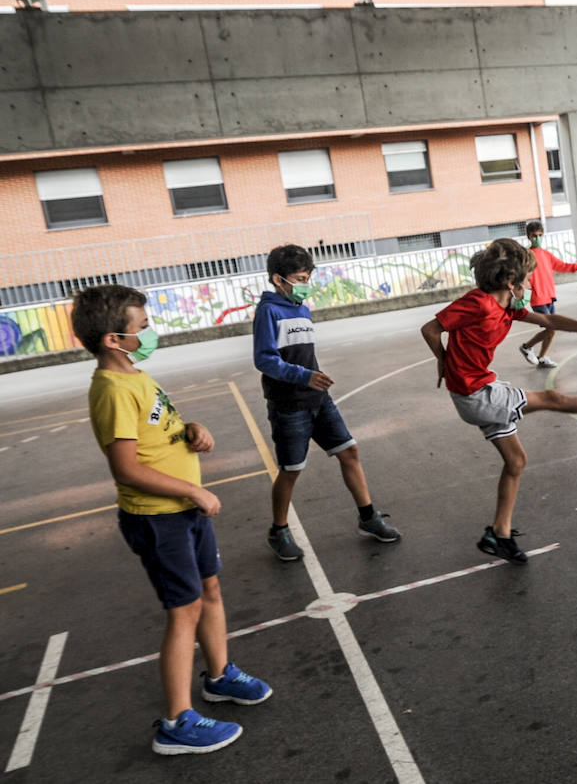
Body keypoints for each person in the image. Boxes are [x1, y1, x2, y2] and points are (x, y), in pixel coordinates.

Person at [75, 285, 271, 756]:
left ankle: (220, 677)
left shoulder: (137, 377)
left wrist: (191, 430)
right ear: (113, 339)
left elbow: (157, 431)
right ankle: (176, 722)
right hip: (159, 519)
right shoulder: (113, 391)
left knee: (211, 592)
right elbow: (126, 467)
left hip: (183, 512)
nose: (150, 333)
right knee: (183, 613)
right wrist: (192, 489)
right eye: (141, 328)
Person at [420, 238, 577, 563]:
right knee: (551, 397)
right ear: (510, 282)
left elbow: (550, 321)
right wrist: (442, 360)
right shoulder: (479, 303)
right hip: (476, 394)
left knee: (516, 462)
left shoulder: (509, 307)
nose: (530, 285)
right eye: (526, 279)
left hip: (479, 389)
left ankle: (498, 535)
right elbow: (431, 329)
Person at [253, 244, 401, 562]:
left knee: (349, 451)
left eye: (308, 277)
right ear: (279, 279)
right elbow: (264, 359)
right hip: (289, 405)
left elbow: (303, 353)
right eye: (300, 278)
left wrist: (313, 378)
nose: (306, 284)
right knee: (291, 470)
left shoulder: (302, 309)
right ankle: (278, 531)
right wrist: (303, 376)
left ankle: (368, 517)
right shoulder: (269, 311)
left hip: (319, 399)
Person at [516, 220, 577, 369]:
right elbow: (521, 276)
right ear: (529, 237)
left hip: (550, 297)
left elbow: (562, 266)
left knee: (551, 331)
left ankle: (542, 358)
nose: (537, 238)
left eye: (540, 235)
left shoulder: (546, 255)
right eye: (534, 235)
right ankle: (526, 347)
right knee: (552, 328)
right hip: (538, 299)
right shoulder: (526, 255)